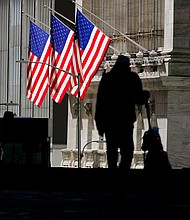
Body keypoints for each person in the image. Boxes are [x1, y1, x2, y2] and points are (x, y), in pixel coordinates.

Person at [95, 55, 150, 169]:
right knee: (127, 151)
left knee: (112, 151)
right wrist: (145, 95)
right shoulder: (132, 78)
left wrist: (99, 124)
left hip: (111, 122)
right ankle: (122, 171)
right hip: (125, 121)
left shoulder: (107, 79)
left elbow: (100, 103)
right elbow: (139, 99)